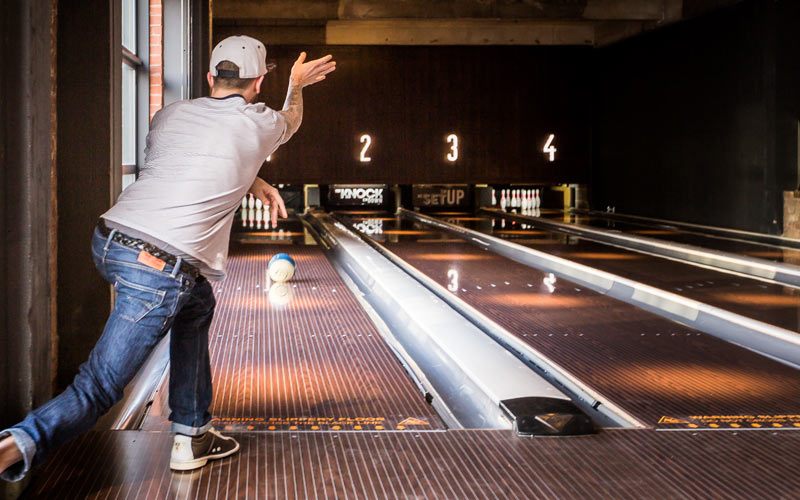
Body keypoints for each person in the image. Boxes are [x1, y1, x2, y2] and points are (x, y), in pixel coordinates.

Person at [0, 35, 336, 481]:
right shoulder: (261, 121)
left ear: (210, 77)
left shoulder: (169, 115)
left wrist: (251, 181)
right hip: (157, 267)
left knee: (197, 302)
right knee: (98, 387)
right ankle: (12, 448)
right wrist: (295, 84)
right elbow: (290, 120)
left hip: (109, 239)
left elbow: (189, 165)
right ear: (257, 84)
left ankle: (193, 432)